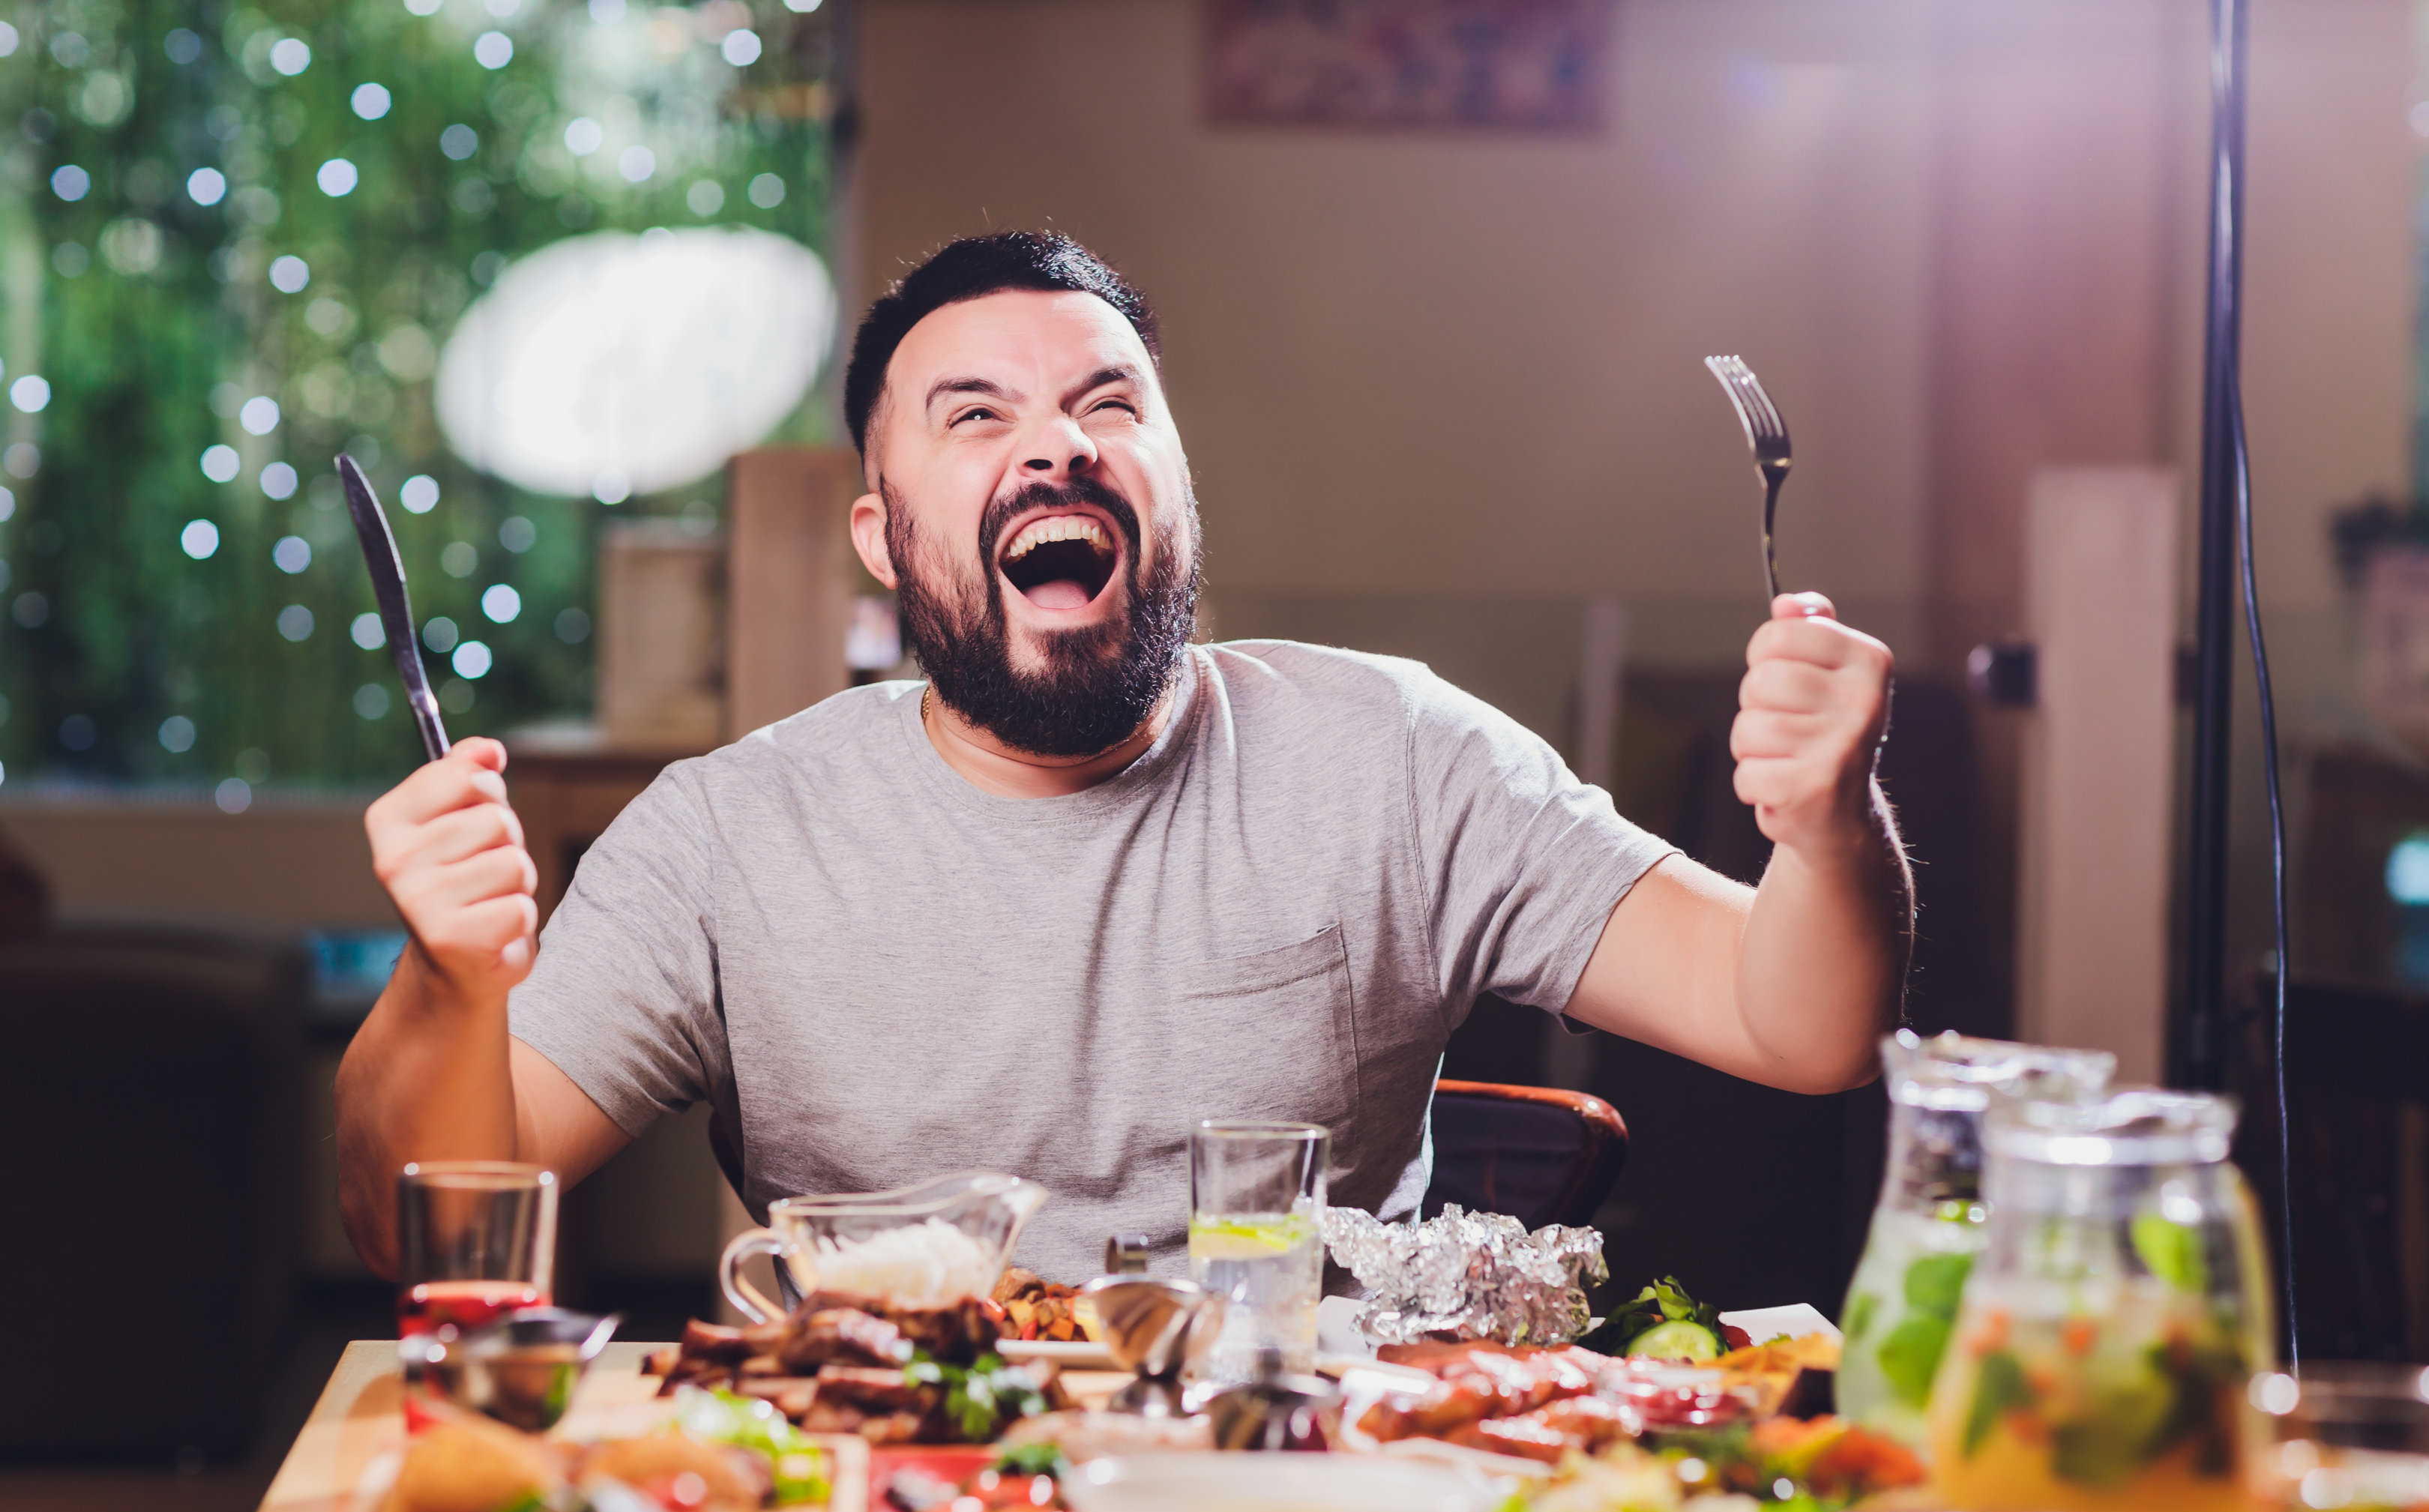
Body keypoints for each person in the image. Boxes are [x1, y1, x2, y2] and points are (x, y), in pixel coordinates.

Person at [337, 232, 1911, 1282]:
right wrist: (441, 986)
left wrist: (1831, 828)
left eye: (1109, 402)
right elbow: (431, 1237)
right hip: (888, 1497)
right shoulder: (728, 836)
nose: (1056, 441)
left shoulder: (1396, 755)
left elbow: (1804, 1025)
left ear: (1172, 485)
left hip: (1297, 1501)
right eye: (975, 414)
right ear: (884, 540)